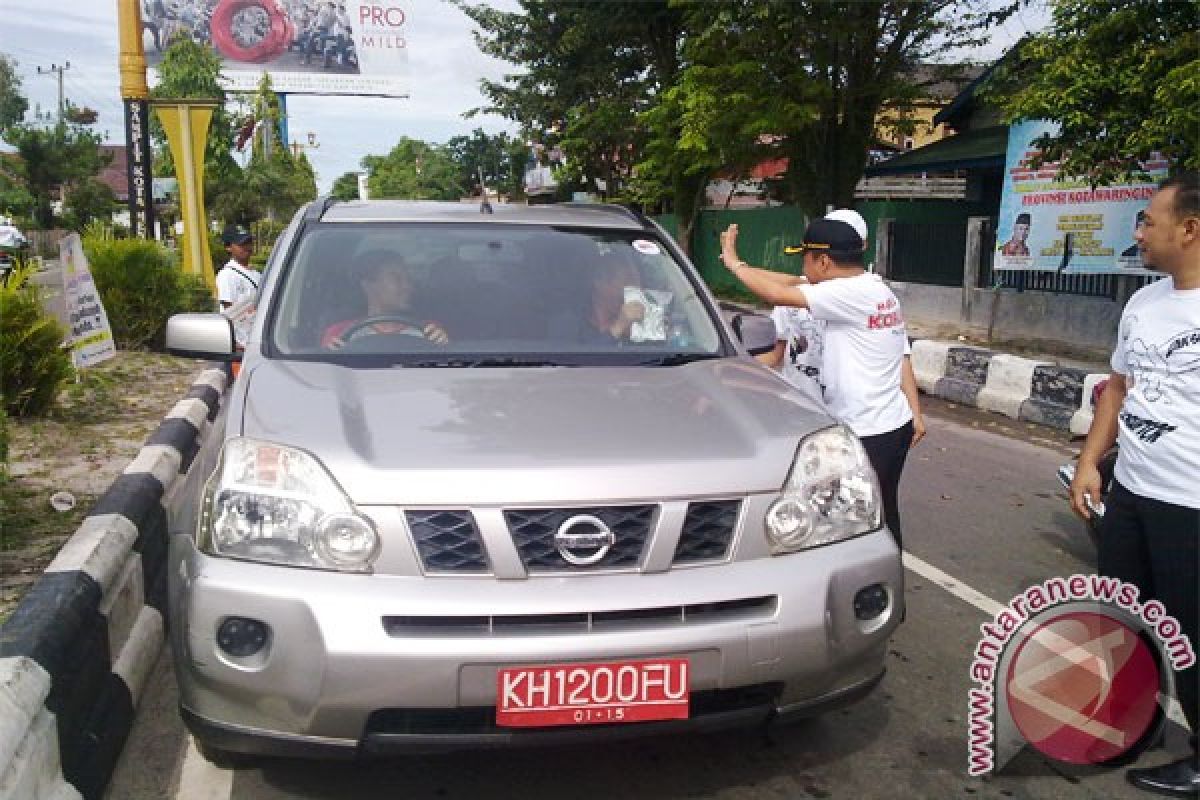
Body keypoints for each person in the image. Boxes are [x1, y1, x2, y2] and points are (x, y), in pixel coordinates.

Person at [1069, 171, 1199, 798]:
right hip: (1133, 493)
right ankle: (1130, 726)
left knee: (1193, 632)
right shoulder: (1143, 303)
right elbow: (1117, 389)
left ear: (1190, 229)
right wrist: (1093, 460)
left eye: (1149, 219)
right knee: (1120, 618)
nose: (1139, 230)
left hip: (1193, 506)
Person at [721, 216, 915, 547]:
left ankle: (872, 586)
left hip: (868, 429)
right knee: (881, 513)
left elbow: (779, 292)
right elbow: (790, 281)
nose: (801, 266)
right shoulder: (870, 286)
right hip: (890, 423)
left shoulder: (848, 294)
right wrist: (739, 262)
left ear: (823, 261)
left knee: (856, 526)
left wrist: (733, 265)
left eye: (805, 258)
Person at [760, 209, 926, 442]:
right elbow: (774, 353)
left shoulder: (872, 296)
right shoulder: (797, 297)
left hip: (847, 423)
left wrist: (915, 412)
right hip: (800, 415)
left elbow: (899, 357)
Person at [321, 251, 448, 349]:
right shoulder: (339, 333)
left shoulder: (430, 331)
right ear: (369, 285)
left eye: (408, 279)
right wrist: (332, 353)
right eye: (396, 278)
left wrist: (443, 346)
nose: (407, 286)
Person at [548, 254, 646, 345]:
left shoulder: (642, 325)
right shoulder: (567, 324)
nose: (637, 291)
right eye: (628, 282)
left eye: (637, 284)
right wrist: (617, 329)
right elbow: (575, 360)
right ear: (600, 283)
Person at [215, 225, 261, 312]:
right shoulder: (227, 275)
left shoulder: (257, 274)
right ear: (228, 247)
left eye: (249, 242)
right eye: (242, 244)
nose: (247, 247)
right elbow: (230, 311)